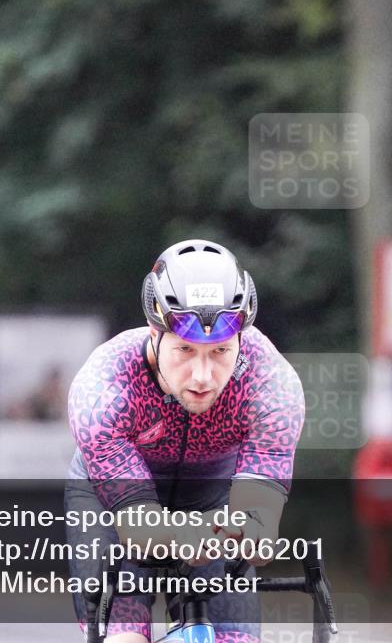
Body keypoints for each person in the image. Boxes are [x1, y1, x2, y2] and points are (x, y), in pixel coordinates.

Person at [64, 239, 305, 643]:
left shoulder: (271, 386)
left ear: (240, 342)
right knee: (124, 637)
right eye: (185, 351)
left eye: (221, 352)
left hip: (212, 497)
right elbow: (138, 528)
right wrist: (178, 533)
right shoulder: (103, 388)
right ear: (155, 335)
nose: (202, 376)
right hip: (112, 504)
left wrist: (251, 530)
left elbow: (260, 526)